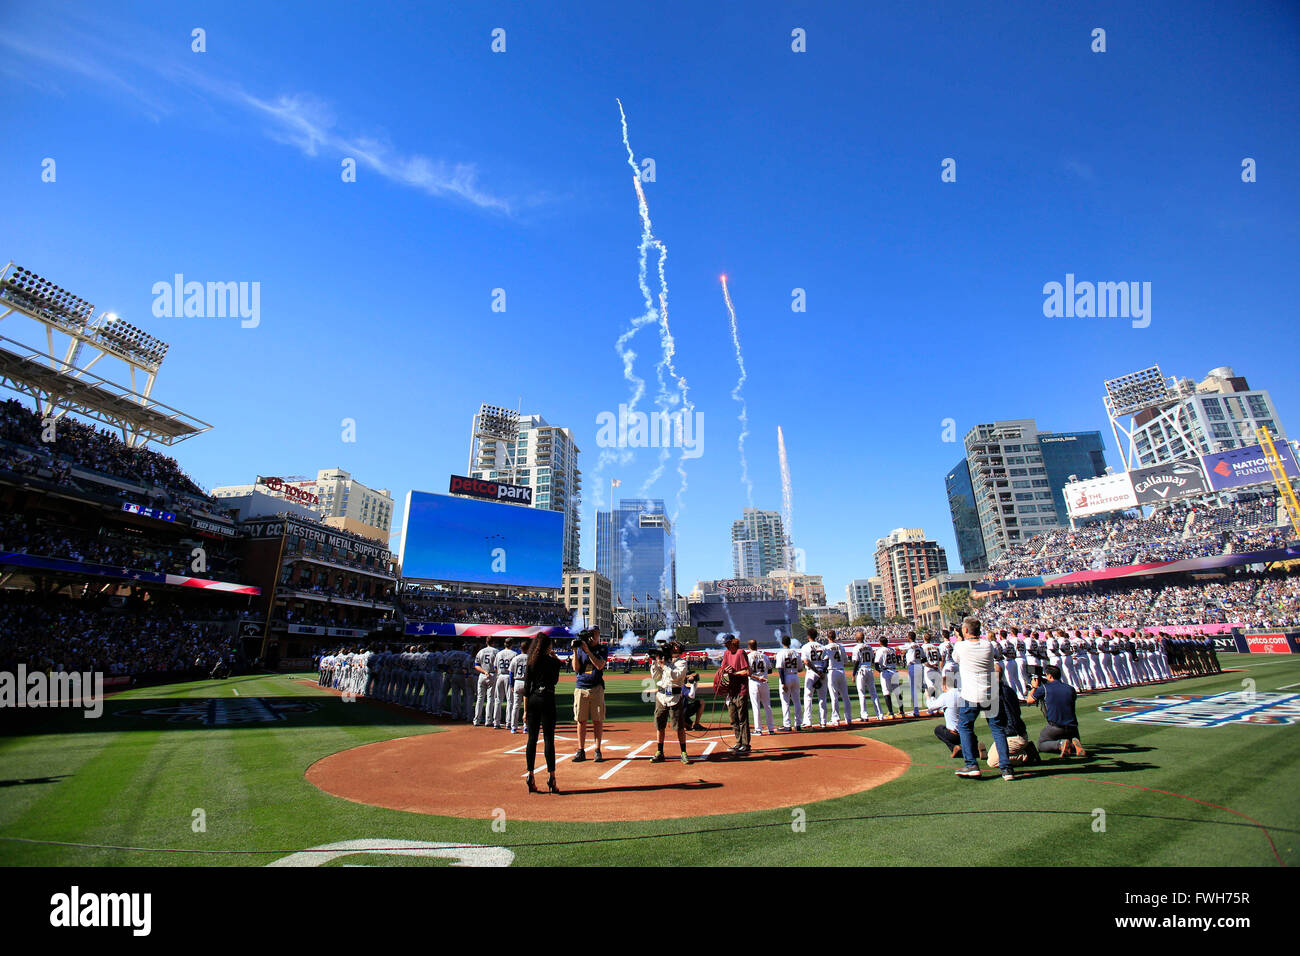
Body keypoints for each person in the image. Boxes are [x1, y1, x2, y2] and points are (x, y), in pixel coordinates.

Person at [952, 617, 1014, 780]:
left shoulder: (960, 646)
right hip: (990, 693)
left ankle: (971, 764)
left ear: (965, 630)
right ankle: (1006, 769)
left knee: (965, 727)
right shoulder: (988, 645)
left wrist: (959, 638)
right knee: (997, 729)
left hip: (970, 695)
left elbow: (955, 658)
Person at [523, 633, 563, 793]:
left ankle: (530, 774)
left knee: (531, 739)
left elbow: (526, 688)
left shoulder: (531, 661)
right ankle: (552, 777)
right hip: (547, 698)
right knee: (548, 739)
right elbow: (554, 681)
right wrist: (553, 656)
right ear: (548, 646)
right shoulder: (552, 662)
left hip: (533, 699)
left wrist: (525, 711)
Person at [1024, 664, 1086, 758]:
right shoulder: (1070, 688)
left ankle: (1061, 744)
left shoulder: (1044, 688)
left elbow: (1029, 700)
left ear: (1049, 676)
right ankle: (1074, 742)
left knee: (1041, 744)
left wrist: (1034, 687)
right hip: (1073, 727)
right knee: (1070, 740)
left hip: (1056, 726)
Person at [649, 641, 692, 764]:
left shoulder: (682, 662)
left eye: (675, 646)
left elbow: (675, 676)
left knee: (679, 726)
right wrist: (655, 662)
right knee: (660, 725)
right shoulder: (665, 661)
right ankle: (659, 751)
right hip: (661, 695)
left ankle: (683, 752)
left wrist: (664, 666)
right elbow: (655, 676)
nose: (673, 648)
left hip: (674, 696)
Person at [925, 676, 984, 760]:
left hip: (954, 735)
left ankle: (954, 747)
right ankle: (975, 746)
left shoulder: (945, 696)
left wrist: (928, 697)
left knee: (938, 729)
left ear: (945, 686)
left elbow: (931, 707)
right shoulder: (963, 693)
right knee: (967, 729)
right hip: (968, 732)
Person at [571, 629, 607, 762]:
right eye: (590, 634)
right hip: (581, 687)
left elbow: (599, 665)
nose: (592, 637)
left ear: (598, 635)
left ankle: (597, 750)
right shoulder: (580, 649)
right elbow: (576, 668)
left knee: (597, 720)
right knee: (581, 720)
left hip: (596, 687)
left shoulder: (602, 648)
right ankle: (581, 750)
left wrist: (588, 651)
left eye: (595, 634)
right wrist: (575, 650)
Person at [718, 634, 752, 754]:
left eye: (727, 643)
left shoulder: (740, 652)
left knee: (742, 717)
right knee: (733, 718)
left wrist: (735, 673)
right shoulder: (726, 654)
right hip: (731, 691)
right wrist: (725, 681)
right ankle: (738, 742)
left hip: (741, 690)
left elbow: (747, 671)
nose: (726, 646)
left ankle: (746, 744)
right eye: (725, 644)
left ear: (733, 642)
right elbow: (724, 670)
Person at [747, 639, 777, 735]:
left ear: (749, 647)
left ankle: (758, 729)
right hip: (764, 682)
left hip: (753, 682)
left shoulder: (748, 656)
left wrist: (757, 675)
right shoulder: (764, 656)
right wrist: (762, 674)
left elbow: (748, 672)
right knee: (767, 706)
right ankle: (771, 728)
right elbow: (770, 670)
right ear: (757, 646)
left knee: (756, 706)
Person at [852, 630, 884, 721]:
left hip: (861, 670)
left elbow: (856, 661)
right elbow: (872, 659)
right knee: (873, 693)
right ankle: (880, 714)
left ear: (857, 638)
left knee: (861, 693)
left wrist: (853, 674)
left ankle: (864, 715)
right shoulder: (869, 647)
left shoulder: (856, 648)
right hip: (869, 669)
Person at [774, 633, 803, 731]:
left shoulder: (781, 653)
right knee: (797, 701)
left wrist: (783, 683)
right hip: (795, 676)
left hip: (786, 676)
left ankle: (787, 724)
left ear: (782, 643)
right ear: (790, 643)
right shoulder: (795, 652)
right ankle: (798, 724)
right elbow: (800, 669)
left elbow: (780, 669)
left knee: (785, 702)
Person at [800, 627, 828, 728]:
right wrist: (822, 672)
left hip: (812, 672)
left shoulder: (805, 647)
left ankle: (807, 721)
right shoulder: (822, 646)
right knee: (822, 698)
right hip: (822, 672)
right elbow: (826, 661)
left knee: (808, 697)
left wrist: (816, 672)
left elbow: (806, 662)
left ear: (808, 636)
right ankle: (823, 721)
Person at [823, 629, 852, 726]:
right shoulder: (841, 647)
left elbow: (825, 661)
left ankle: (836, 718)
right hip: (841, 670)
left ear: (828, 637)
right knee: (845, 695)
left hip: (832, 671)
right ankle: (848, 718)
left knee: (834, 696)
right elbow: (845, 661)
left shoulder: (826, 648)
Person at [490, 637, 517, 729]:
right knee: (510, 700)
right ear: (512, 644)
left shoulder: (499, 653)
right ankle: (508, 722)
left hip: (500, 676)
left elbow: (495, 667)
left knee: (498, 700)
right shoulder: (514, 654)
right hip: (508, 677)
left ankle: (496, 722)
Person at [874, 637, 903, 719]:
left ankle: (891, 712)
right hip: (894, 671)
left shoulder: (880, 650)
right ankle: (901, 711)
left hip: (886, 671)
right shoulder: (892, 649)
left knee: (886, 692)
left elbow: (876, 664)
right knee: (897, 692)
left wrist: (880, 671)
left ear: (880, 642)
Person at [472, 637, 499, 727]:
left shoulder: (481, 651)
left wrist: (484, 672)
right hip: (492, 675)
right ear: (493, 642)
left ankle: (476, 720)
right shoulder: (496, 651)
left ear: (486, 642)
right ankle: (488, 720)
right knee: (490, 699)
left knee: (480, 698)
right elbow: (497, 666)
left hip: (482, 675)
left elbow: (476, 665)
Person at [508, 637, 530, 733]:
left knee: (516, 706)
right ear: (528, 648)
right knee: (527, 706)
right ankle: (526, 726)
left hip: (517, 682)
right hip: (527, 682)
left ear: (520, 648)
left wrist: (512, 685)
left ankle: (514, 727)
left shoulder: (515, 658)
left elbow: (511, 673)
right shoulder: (530, 658)